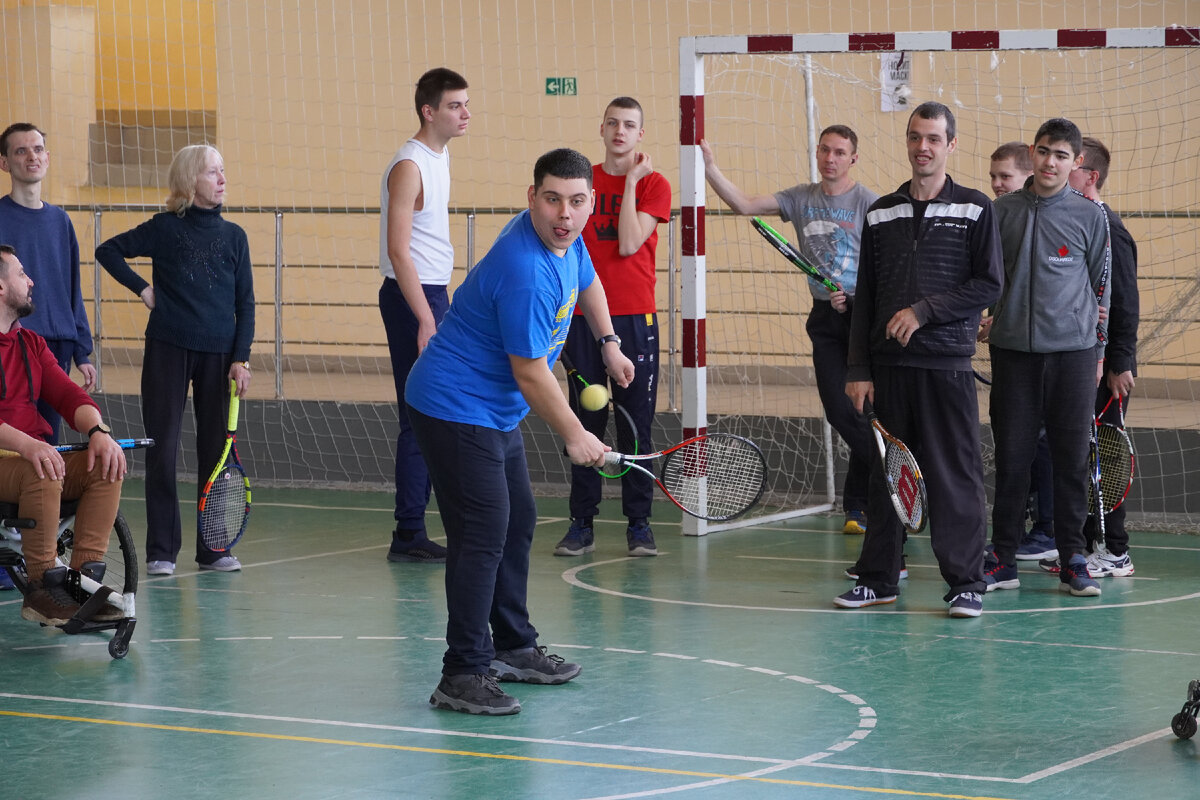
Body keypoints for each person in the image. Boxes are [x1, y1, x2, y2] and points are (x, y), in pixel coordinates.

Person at [406, 148, 635, 715]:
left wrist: (608, 341)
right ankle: (461, 672)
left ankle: (511, 646)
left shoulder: (566, 239)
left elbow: (589, 280)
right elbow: (531, 372)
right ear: (530, 198)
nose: (565, 213)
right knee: (482, 533)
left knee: (519, 520)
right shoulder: (525, 268)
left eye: (577, 202)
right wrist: (577, 435)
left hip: (492, 411)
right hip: (454, 407)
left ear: (590, 204)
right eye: (552, 199)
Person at [839, 101, 1003, 618]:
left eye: (933, 138)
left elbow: (988, 282)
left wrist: (923, 311)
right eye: (915, 137)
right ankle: (878, 579)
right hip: (888, 371)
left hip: (946, 366)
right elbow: (865, 296)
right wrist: (859, 368)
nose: (923, 147)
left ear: (950, 144)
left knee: (955, 477)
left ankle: (966, 583)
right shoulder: (880, 211)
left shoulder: (976, 208)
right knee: (887, 478)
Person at [701, 125, 878, 536]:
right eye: (824, 150)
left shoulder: (870, 203)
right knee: (841, 411)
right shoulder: (800, 198)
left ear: (853, 158)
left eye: (839, 152)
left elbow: (885, 261)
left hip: (862, 316)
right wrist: (710, 168)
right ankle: (894, 474)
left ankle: (860, 506)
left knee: (866, 411)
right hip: (825, 319)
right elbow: (744, 205)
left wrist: (858, 301)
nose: (830, 158)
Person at [95, 145, 254, 576]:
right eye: (211, 172)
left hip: (220, 355)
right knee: (161, 448)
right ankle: (161, 551)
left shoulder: (235, 236)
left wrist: (241, 358)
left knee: (215, 452)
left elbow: (247, 302)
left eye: (223, 170)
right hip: (167, 348)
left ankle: (213, 549)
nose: (221, 178)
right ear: (189, 181)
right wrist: (144, 289)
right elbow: (108, 251)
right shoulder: (164, 228)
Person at [984, 118, 1111, 597]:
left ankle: (1073, 557)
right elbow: (987, 278)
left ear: (1076, 162)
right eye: (1043, 152)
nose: (1050, 162)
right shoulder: (1001, 212)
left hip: (1074, 357)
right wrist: (989, 318)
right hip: (1013, 354)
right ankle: (1003, 557)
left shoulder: (1090, 216)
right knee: (1013, 458)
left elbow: (1103, 286)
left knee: (1070, 458)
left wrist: (1098, 349)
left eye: (1061, 155)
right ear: (1031, 155)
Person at [554, 97, 671, 558]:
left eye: (630, 125)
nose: (620, 131)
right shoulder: (581, 183)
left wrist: (631, 184)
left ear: (641, 134)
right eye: (613, 123)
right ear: (601, 128)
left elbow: (626, 243)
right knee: (584, 421)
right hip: (581, 318)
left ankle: (639, 524)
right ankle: (581, 523)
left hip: (633, 317)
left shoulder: (655, 185)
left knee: (635, 424)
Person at [0, 244, 127, 624]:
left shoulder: (32, 344)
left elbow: (71, 396)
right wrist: (29, 444)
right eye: (22, 274)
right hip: (13, 461)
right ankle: (42, 590)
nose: (31, 280)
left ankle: (83, 583)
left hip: (30, 459)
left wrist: (99, 431)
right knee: (44, 467)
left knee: (105, 463)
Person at [378, 68, 471, 564]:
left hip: (436, 295)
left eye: (466, 104)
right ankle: (409, 531)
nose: (466, 113)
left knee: (439, 410)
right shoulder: (409, 166)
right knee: (420, 416)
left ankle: (425, 522)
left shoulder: (441, 154)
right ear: (428, 111)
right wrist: (426, 319)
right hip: (413, 300)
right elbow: (398, 250)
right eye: (456, 105)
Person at [982, 142, 1056, 562]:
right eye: (993, 176)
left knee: (1044, 441)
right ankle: (1024, 527)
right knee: (1014, 440)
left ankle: (1048, 529)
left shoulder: (1046, 217)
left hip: (1048, 352)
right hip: (1009, 348)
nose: (996, 184)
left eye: (1004, 177)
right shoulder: (1001, 214)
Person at [0, 123, 97, 443]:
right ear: (4, 162)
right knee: (14, 437)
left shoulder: (61, 221)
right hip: (12, 345)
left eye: (38, 149)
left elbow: (72, 289)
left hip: (57, 345)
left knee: (49, 442)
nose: (32, 156)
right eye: (21, 150)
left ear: (48, 157)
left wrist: (82, 352)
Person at [1069, 136, 1138, 578]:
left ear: (1090, 177)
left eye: (1068, 164)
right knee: (1082, 452)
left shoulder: (1111, 227)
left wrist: (1118, 362)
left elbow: (1125, 302)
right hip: (1080, 360)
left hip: (1108, 368)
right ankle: (1089, 542)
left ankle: (1116, 549)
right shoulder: (1081, 222)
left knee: (1106, 454)